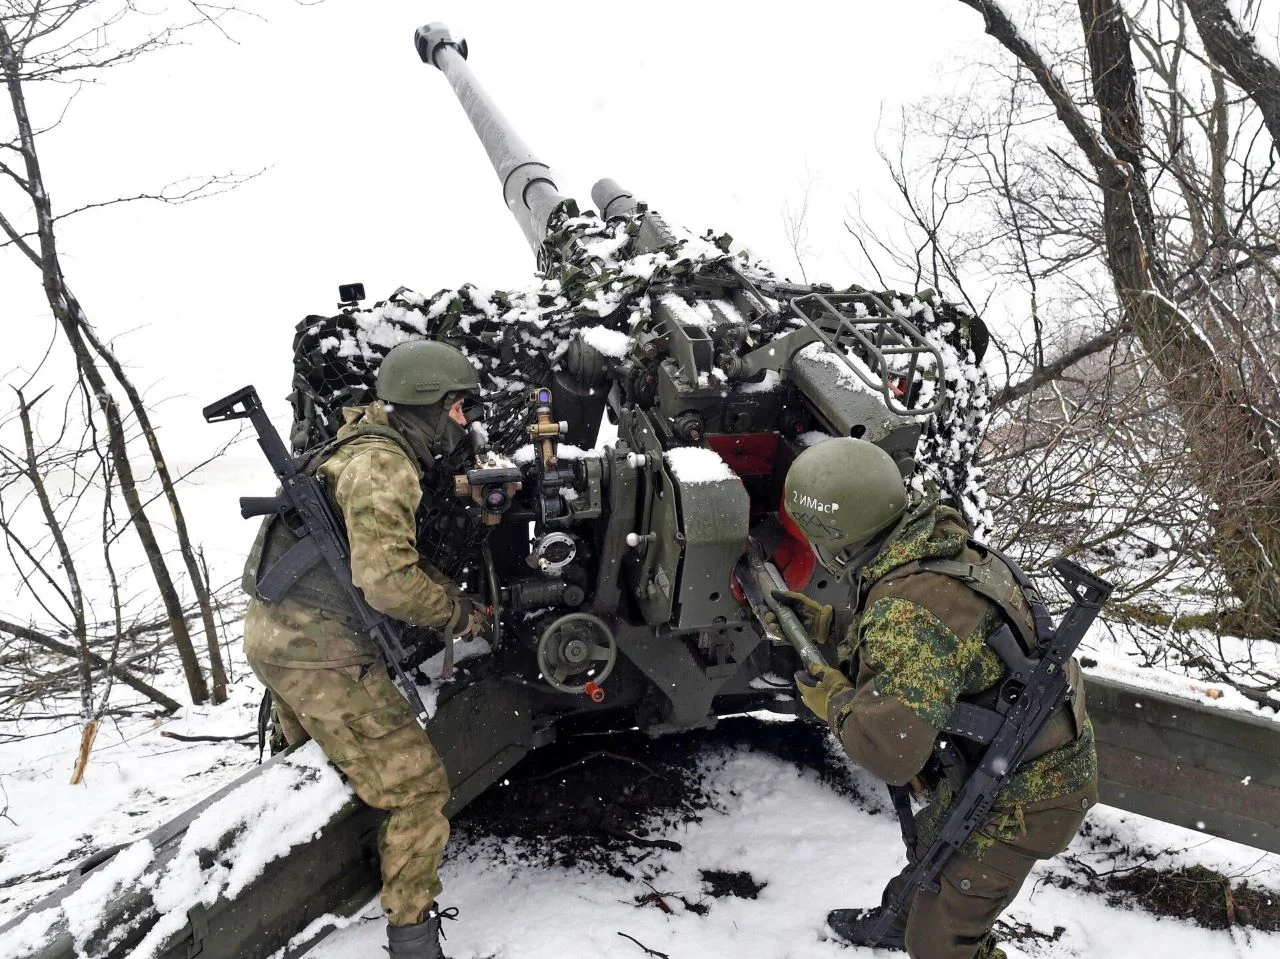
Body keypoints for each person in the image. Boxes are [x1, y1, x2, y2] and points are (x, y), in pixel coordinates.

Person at [780, 437, 1097, 959]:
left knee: (942, 945)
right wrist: (825, 624)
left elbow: (889, 751)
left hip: (1029, 795)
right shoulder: (933, 550)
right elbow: (927, 652)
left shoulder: (908, 608)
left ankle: (926, 932)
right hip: (1015, 760)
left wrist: (833, 701)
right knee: (936, 848)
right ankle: (902, 917)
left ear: (834, 540)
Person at [241, 340, 488, 959]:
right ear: (430, 405)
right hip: (317, 651)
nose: (465, 422)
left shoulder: (360, 440)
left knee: (324, 769)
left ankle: (316, 880)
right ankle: (413, 941)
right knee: (416, 788)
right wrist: (458, 613)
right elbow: (386, 580)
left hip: (279, 635)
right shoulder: (385, 465)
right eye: (458, 409)